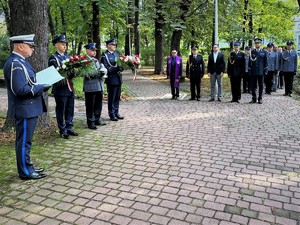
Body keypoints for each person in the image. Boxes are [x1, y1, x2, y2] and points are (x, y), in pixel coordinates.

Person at [4, 34, 48, 180]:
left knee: (26, 141)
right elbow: (20, 90)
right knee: (23, 142)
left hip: (29, 108)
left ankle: (28, 166)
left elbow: (31, 81)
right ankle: (25, 172)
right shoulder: (15, 64)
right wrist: (40, 87)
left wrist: (42, 84)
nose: (33, 49)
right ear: (21, 46)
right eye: (31, 46)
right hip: (24, 109)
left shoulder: (21, 61)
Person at [49, 34, 78, 138]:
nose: (64, 46)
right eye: (62, 44)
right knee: (61, 109)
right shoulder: (53, 58)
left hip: (70, 87)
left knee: (70, 108)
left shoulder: (68, 57)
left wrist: (74, 72)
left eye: (65, 44)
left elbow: (72, 70)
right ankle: (62, 130)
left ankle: (69, 127)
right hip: (60, 88)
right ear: (56, 45)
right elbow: (55, 72)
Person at [83, 43, 107, 129]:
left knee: (98, 104)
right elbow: (86, 74)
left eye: (95, 50)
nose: (94, 52)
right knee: (90, 105)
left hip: (99, 85)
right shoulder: (84, 60)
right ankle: (91, 122)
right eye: (92, 50)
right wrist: (99, 74)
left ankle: (97, 119)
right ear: (87, 50)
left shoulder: (95, 60)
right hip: (90, 87)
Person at [101, 39, 124, 121]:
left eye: (115, 45)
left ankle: (116, 112)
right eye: (113, 45)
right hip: (111, 79)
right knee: (112, 97)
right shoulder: (104, 55)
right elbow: (106, 68)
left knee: (117, 97)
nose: (115, 46)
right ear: (108, 46)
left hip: (118, 78)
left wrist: (121, 68)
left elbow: (120, 64)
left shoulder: (116, 54)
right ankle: (111, 114)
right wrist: (116, 68)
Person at [248, 38, 268, 104]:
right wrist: (249, 70)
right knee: (253, 86)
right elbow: (249, 62)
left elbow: (266, 62)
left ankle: (260, 98)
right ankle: (254, 98)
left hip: (261, 72)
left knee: (261, 86)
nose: (257, 44)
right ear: (255, 44)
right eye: (256, 43)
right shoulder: (252, 52)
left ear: (260, 44)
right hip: (253, 71)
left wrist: (266, 70)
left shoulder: (264, 52)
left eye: (258, 43)